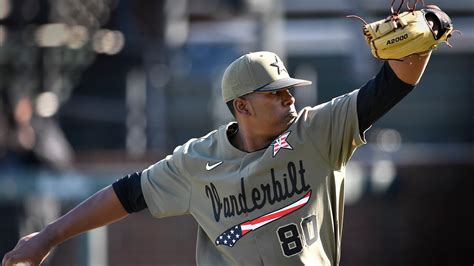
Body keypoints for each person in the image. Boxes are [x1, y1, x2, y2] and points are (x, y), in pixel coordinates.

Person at [2, 47, 433, 265]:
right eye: (275, 93)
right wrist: (46, 238)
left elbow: (391, 87)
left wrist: (428, 35)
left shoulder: (318, 130)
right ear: (241, 107)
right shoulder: (197, 162)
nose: (289, 98)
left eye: (289, 89)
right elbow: (126, 194)